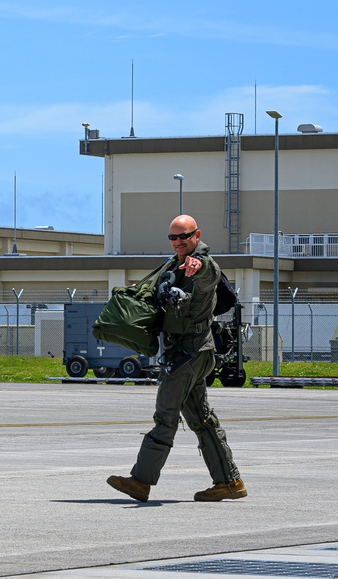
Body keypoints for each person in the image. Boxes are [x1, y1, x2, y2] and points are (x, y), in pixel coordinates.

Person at [107, 214, 247, 502]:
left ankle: (141, 481)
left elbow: (208, 272)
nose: (179, 242)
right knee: (203, 420)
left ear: (197, 235)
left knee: (165, 416)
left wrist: (199, 264)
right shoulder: (173, 265)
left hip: (189, 354)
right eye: (173, 237)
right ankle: (229, 482)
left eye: (185, 236)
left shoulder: (204, 265)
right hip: (188, 352)